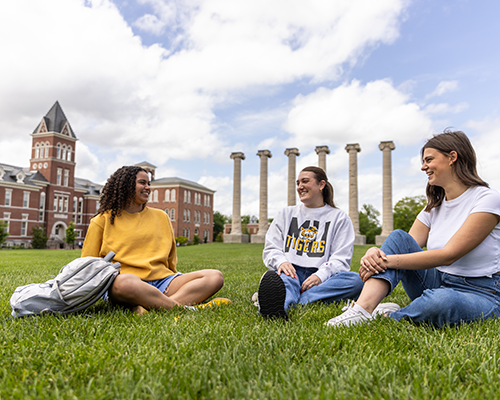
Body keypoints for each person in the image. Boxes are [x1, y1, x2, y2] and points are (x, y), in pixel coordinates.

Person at [327, 130, 500, 328]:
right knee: (398, 236)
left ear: (452, 157)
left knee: (441, 301)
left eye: (429, 159)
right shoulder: (434, 206)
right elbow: (404, 244)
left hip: (482, 292)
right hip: (437, 280)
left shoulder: (487, 199)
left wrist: (385, 261)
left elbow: (449, 255)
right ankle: (361, 310)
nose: (423, 167)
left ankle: (390, 315)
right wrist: (374, 252)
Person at [82, 166, 230, 314]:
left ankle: (152, 305)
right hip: (126, 283)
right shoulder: (102, 220)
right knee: (124, 282)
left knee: (215, 277)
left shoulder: (161, 217)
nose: (148, 188)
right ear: (125, 185)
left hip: (163, 280)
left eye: (149, 184)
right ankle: (186, 307)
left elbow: (171, 257)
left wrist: (175, 279)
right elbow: (88, 264)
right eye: (142, 183)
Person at [257, 166, 364, 319]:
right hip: (291, 271)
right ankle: (276, 309)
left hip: (322, 276)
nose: (300, 187)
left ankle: (292, 299)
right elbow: (271, 247)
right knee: (283, 281)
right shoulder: (286, 213)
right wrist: (281, 263)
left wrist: (320, 275)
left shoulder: (339, 217)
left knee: (357, 281)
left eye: (305, 181)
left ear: (321, 185)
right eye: (298, 183)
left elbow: (341, 258)